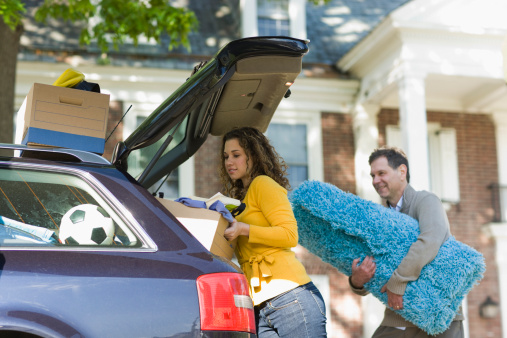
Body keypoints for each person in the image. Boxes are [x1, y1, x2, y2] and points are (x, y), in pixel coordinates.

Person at [220, 126, 327, 337]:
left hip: (291, 297)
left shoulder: (263, 184)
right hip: (260, 306)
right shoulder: (243, 199)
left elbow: (289, 235)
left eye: (236, 155)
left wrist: (243, 229)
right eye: (225, 156)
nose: (229, 162)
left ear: (253, 155)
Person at [349, 146, 464, 337]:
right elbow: (373, 267)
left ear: (402, 171)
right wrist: (357, 282)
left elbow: (430, 240)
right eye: (372, 176)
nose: (376, 181)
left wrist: (397, 283)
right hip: (399, 316)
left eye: (381, 173)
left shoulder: (426, 201)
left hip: (439, 313)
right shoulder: (378, 218)